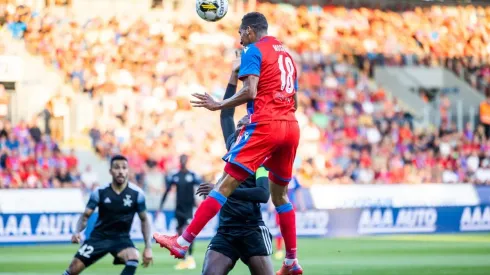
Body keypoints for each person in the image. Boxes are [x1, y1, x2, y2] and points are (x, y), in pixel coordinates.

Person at [154, 11, 302, 275]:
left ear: (249, 31)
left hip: (266, 126)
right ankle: (291, 261)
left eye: (240, 33)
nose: (240, 38)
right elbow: (295, 102)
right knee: (281, 196)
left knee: (223, 185)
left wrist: (219, 104)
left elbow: (251, 91)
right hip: (290, 126)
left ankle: (182, 242)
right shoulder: (286, 56)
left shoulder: (253, 50)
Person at [195, 54, 274, 275]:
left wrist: (222, 191)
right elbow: (226, 115)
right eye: (241, 121)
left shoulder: (261, 159)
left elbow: (261, 194)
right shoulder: (233, 145)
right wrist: (233, 74)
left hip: (251, 229)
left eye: (246, 121)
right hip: (226, 230)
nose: (241, 122)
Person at [63, 155, 153, 275]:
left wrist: (148, 247)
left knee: (133, 256)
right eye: (116, 167)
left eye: (124, 168)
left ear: (128, 170)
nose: (120, 171)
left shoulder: (137, 194)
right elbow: (85, 216)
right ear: (110, 171)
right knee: (73, 269)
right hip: (99, 237)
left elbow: (144, 220)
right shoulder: (100, 192)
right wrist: (77, 232)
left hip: (122, 239)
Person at [157, 154, 201, 270]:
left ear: (187, 161)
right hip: (178, 209)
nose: (183, 161)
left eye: (184, 159)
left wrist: (202, 200)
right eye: (181, 159)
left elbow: (201, 186)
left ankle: (190, 257)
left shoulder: (192, 175)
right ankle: (184, 259)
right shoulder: (175, 175)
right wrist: (160, 206)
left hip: (188, 209)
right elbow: (167, 191)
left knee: (188, 232)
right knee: (180, 234)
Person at [274, 175, 302, 260]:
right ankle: (279, 249)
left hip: (291, 206)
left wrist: (301, 204)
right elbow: (273, 190)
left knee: (290, 229)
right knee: (279, 228)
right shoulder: (276, 175)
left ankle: (291, 252)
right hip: (279, 205)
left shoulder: (294, 178)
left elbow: (298, 192)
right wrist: (271, 204)